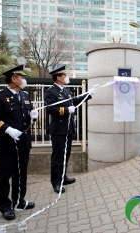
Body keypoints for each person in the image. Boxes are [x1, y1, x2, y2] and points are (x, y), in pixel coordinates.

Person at [0, 65, 38, 220]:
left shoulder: (24, 95)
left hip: (23, 142)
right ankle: (5, 206)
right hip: (8, 144)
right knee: (5, 176)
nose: (24, 80)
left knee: (21, 174)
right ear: (13, 79)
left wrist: (33, 116)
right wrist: (8, 129)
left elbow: (25, 118)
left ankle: (19, 200)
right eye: (21, 77)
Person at [45, 65, 94, 194]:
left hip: (68, 128)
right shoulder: (51, 92)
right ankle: (56, 182)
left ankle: (63, 177)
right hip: (58, 129)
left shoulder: (65, 91)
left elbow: (74, 100)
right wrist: (66, 110)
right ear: (59, 77)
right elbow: (50, 109)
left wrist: (88, 95)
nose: (67, 77)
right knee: (58, 157)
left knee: (65, 155)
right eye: (65, 75)